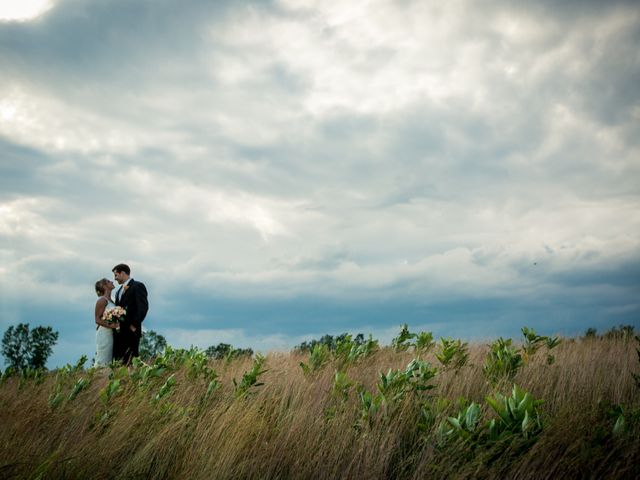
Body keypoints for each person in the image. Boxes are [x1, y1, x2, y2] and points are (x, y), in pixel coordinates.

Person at [112, 263, 149, 364]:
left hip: (131, 331)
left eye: (116, 275)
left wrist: (133, 324)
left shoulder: (137, 286)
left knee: (131, 360)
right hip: (119, 333)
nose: (115, 279)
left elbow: (143, 308)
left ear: (123, 273)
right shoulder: (118, 291)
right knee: (120, 361)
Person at [94, 278, 120, 367]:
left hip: (112, 334)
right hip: (104, 334)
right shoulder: (102, 300)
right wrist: (113, 325)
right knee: (103, 359)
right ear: (104, 286)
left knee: (110, 360)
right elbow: (97, 319)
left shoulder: (112, 300)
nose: (112, 282)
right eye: (109, 281)